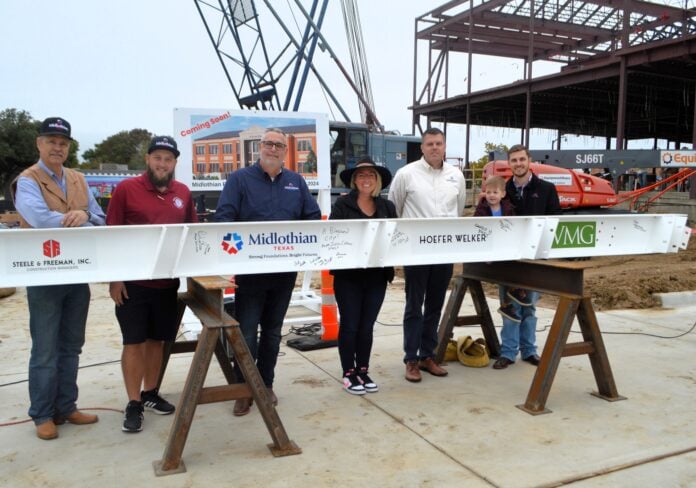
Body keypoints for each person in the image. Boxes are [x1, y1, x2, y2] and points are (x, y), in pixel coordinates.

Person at [215, 128, 321, 416]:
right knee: (246, 332)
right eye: (268, 144)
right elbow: (224, 217)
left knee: (273, 332)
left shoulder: (295, 182)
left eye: (278, 145)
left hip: (284, 273)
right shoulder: (239, 180)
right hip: (250, 275)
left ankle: (266, 384)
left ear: (284, 151)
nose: (272, 149)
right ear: (259, 148)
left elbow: (311, 218)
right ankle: (244, 389)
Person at [13, 117, 105, 440]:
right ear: (39, 144)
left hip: (78, 273)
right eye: (51, 141)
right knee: (45, 349)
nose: (57, 147)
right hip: (44, 274)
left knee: (72, 345)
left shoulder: (79, 179)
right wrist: (80, 219)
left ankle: (67, 406)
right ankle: (42, 413)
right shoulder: (27, 180)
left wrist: (87, 214)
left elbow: (101, 218)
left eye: (63, 143)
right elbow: (39, 220)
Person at [106, 136, 198, 433]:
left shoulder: (182, 192)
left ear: (175, 163)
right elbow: (111, 235)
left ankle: (150, 393)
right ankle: (133, 403)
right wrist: (115, 279)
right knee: (133, 343)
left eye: (168, 159)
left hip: (167, 283)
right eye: (157, 158)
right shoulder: (126, 189)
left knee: (158, 341)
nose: (162, 164)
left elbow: (192, 233)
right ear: (148, 159)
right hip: (133, 284)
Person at [388, 127, 466, 382]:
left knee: (434, 305)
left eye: (439, 143)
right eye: (430, 143)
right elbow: (394, 209)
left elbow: (459, 209)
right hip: (416, 252)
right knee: (414, 306)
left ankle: (427, 355)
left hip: (444, 252)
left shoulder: (456, 176)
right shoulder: (406, 174)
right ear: (422, 148)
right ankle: (411, 359)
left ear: (445, 147)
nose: (434, 147)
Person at [330, 157, 397, 395]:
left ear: (377, 180)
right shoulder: (342, 205)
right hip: (348, 276)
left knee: (367, 326)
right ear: (354, 180)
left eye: (370, 175)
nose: (366, 179)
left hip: (377, 276)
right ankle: (349, 372)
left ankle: (363, 369)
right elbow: (334, 237)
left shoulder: (387, 207)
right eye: (361, 175)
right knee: (350, 324)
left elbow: (395, 239)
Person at [493, 144, 561, 370]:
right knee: (509, 306)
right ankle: (508, 352)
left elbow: (554, 222)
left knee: (529, 306)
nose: (518, 164)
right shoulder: (503, 190)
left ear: (529, 160)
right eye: (514, 160)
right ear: (509, 163)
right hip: (508, 258)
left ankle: (529, 350)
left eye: (522, 159)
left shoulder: (546, 189)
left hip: (533, 258)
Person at [473, 175, 531, 323]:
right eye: (488, 192)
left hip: (504, 245)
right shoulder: (481, 209)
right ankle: (510, 295)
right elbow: (476, 227)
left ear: (502, 194)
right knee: (497, 265)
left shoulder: (508, 208)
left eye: (495, 192)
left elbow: (513, 226)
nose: (491, 195)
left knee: (514, 261)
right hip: (488, 245)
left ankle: (510, 297)